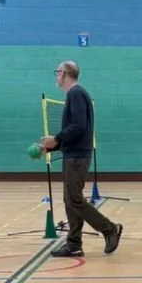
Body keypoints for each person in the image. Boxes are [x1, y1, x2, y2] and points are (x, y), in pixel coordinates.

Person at [41, 60, 123, 257]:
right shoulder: (74, 94)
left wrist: (57, 139)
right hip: (72, 154)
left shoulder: (76, 93)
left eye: (57, 72)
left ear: (65, 73)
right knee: (70, 200)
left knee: (75, 200)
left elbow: (79, 126)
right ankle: (74, 243)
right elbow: (75, 129)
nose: (56, 75)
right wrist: (53, 145)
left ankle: (110, 229)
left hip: (77, 156)